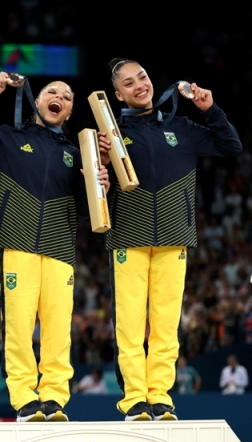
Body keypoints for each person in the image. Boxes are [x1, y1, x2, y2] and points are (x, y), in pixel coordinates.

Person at [98, 58, 242, 421]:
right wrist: (99, 165)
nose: (139, 85)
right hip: (128, 238)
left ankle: (160, 396)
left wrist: (209, 110)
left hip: (174, 239)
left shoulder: (183, 127)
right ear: (118, 94)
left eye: (142, 77)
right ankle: (134, 399)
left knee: (165, 325)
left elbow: (231, 147)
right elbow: (93, 189)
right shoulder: (109, 134)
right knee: (130, 325)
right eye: (128, 83)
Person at [0, 72, 110, 422]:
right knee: (19, 327)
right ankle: (25, 398)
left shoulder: (76, 155)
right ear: (37, 102)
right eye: (52, 92)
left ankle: (55, 397)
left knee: (59, 329)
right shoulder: (8, 137)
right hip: (17, 243)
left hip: (60, 249)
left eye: (67, 96)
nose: (60, 96)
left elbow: (94, 208)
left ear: (70, 112)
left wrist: (101, 179)